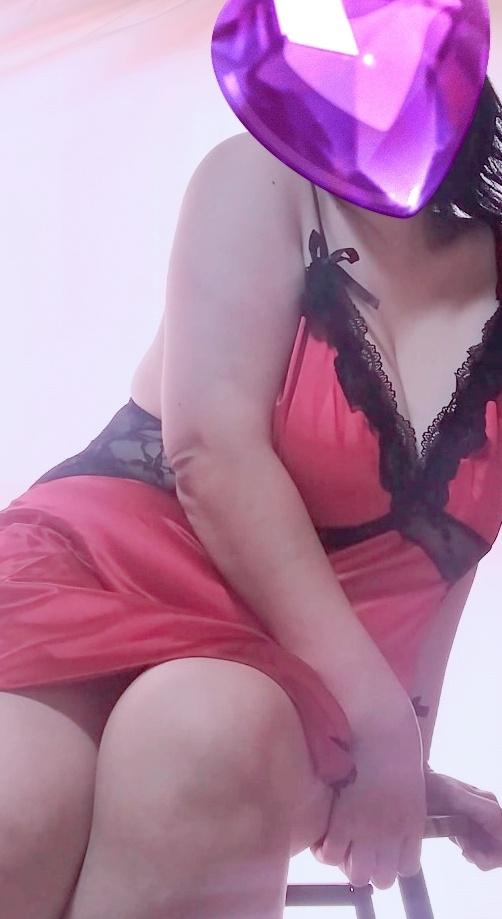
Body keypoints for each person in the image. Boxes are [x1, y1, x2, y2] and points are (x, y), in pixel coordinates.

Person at [1, 65, 502, 919]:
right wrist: (381, 727)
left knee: (212, 731)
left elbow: (446, 557)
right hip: (97, 573)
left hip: (285, 686)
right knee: (18, 810)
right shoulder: (262, 177)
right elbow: (213, 456)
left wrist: (405, 761)